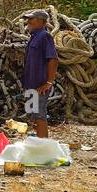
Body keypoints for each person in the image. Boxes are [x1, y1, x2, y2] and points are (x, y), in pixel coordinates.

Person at [22, 9, 60, 138]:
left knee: (39, 116)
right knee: (31, 114)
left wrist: (49, 82)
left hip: (40, 85)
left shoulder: (45, 36)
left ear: (39, 21)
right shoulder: (33, 37)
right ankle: (35, 143)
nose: (28, 22)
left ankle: (43, 147)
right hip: (30, 85)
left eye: (31, 19)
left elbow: (53, 59)